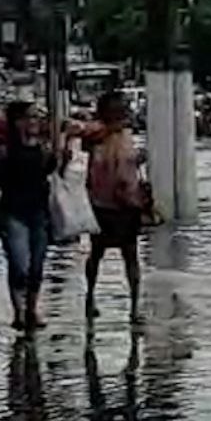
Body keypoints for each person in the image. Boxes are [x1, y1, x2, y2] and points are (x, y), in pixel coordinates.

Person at [0, 101, 63, 331]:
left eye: (37, 118)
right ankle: (19, 311)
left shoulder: (44, 149)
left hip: (39, 214)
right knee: (19, 265)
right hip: (12, 214)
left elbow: (54, 174)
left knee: (37, 266)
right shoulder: (2, 152)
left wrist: (61, 153)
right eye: (30, 117)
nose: (35, 122)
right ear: (17, 122)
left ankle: (31, 310)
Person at [78, 91, 147, 324]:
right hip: (105, 202)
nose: (126, 111)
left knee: (129, 255)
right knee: (99, 253)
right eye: (122, 107)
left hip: (125, 201)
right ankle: (91, 297)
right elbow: (88, 143)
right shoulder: (98, 131)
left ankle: (134, 306)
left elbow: (126, 160)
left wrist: (138, 158)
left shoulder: (125, 134)